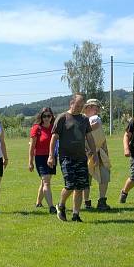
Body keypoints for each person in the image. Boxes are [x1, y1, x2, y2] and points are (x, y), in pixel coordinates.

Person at [48, 94, 96, 222]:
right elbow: (54, 138)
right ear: (71, 103)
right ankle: (61, 205)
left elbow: (89, 137)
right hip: (66, 157)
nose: (79, 108)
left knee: (80, 187)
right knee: (70, 185)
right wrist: (51, 156)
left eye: (81, 106)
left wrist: (94, 153)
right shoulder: (63, 118)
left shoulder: (84, 119)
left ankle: (76, 215)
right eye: (77, 105)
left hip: (81, 157)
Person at [83, 99, 111, 211]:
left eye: (98, 107)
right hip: (87, 153)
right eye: (96, 107)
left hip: (99, 152)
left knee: (103, 176)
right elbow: (95, 125)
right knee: (87, 179)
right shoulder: (91, 119)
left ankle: (100, 201)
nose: (98, 109)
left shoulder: (88, 119)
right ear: (89, 107)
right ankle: (88, 202)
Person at [29, 107, 56, 215]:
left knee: (45, 181)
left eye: (48, 116)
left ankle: (38, 202)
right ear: (41, 117)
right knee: (46, 182)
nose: (46, 118)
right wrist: (30, 162)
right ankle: (51, 207)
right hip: (40, 158)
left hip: (52, 157)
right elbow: (32, 147)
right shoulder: (36, 128)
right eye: (44, 116)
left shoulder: (54, 127)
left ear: (51, 116)